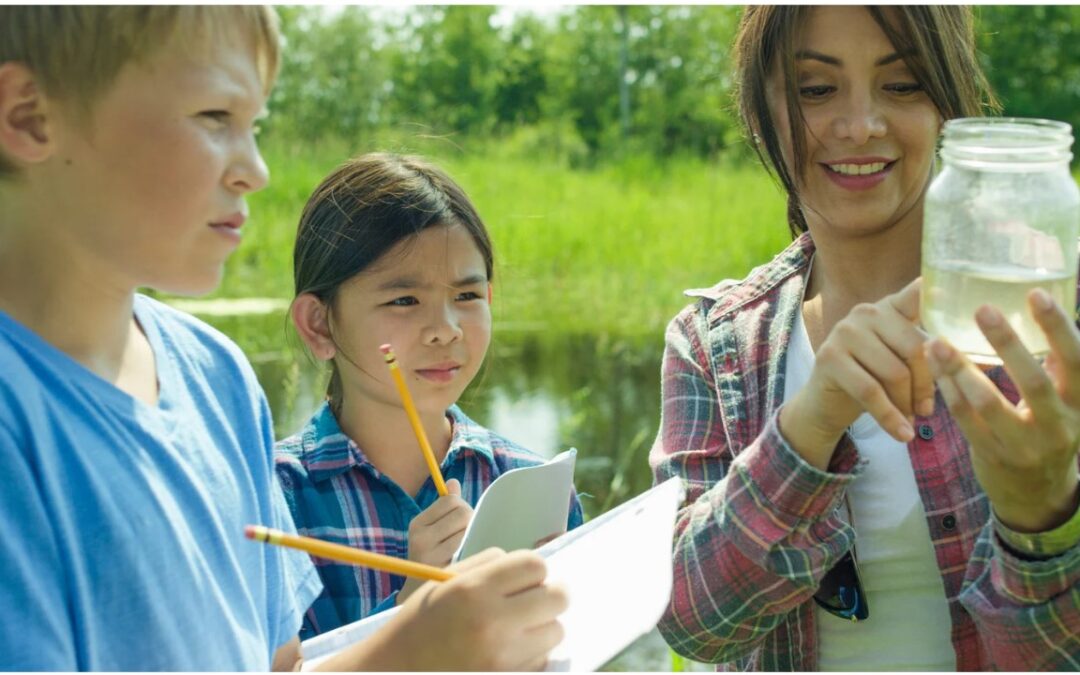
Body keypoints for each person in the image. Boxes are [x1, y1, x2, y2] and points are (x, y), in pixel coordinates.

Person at [0, 7, 566, 671]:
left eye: (255, 126)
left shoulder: (217, 376)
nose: (256, 170)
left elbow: (279, 666)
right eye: (214, 117)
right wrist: (409, 649)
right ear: (31, 115)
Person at [649, 5, 1080, 671]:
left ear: (948, 105)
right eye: (816, 90)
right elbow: (691, 623)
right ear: (761, 115)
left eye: (902, 85)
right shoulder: (715, 344)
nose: (860, 126)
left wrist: (1041, 513)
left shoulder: (1045, 321)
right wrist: (809, 423)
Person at [276, 152, 585, 638]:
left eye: (466, 296)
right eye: (404, 300)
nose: (444, 330)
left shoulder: (529, 485)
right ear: (319, 324)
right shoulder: (276, 497)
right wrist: (410, 613)